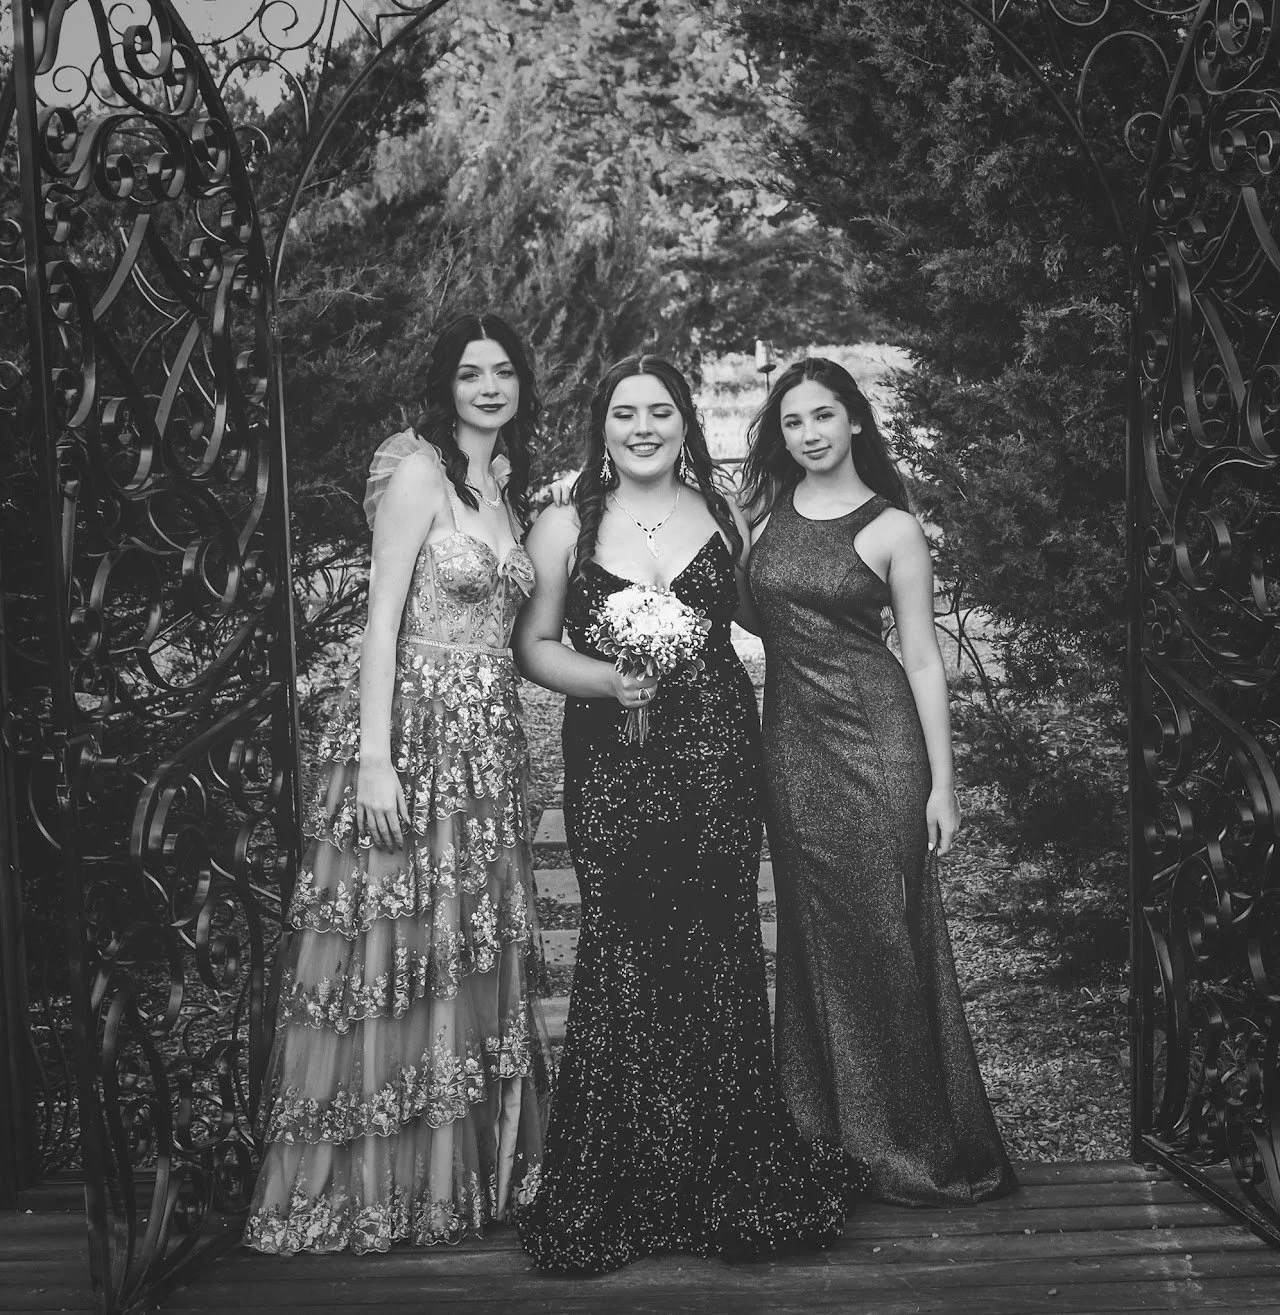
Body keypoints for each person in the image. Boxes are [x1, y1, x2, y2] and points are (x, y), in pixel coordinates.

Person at [512, 354, 863, 1274]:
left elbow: (781, 610)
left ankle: (722, 1173)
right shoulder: (564, 522)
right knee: (625, 945)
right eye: (623, 412)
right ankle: (624, 1178)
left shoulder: (727, 514)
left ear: (683, 423)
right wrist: (606, 677)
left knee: (715, 945)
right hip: (613, 763)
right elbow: (534, 645)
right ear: (602, 426)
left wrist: (854, 696)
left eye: (659, 412)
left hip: (715, 757)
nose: (641, 427)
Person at [244, 312, 551, 1255]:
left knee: (460, 954)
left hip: (484, 754)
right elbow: (380, 623)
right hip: (412, 740)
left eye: (504, 372)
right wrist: (375, 758)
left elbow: (522, 636)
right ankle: (373, 1189)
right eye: (471, 372)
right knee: (391, 952)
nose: (489, 386)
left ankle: (459, 1181)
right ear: (446, 384)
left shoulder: (503, 486)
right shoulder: (418, 468)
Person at [741, 355, 1016, 1207]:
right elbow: (751, 615)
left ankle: (916, 1143)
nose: (809, 433)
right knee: (815, 938)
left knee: (886, 935)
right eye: (792, 421)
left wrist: (943, 781)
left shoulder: (893, 526)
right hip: (790, 750)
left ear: (854, 420)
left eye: (823, 415)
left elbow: (925, 659)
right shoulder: (767, 517)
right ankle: (825, 1134)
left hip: (878, 745)